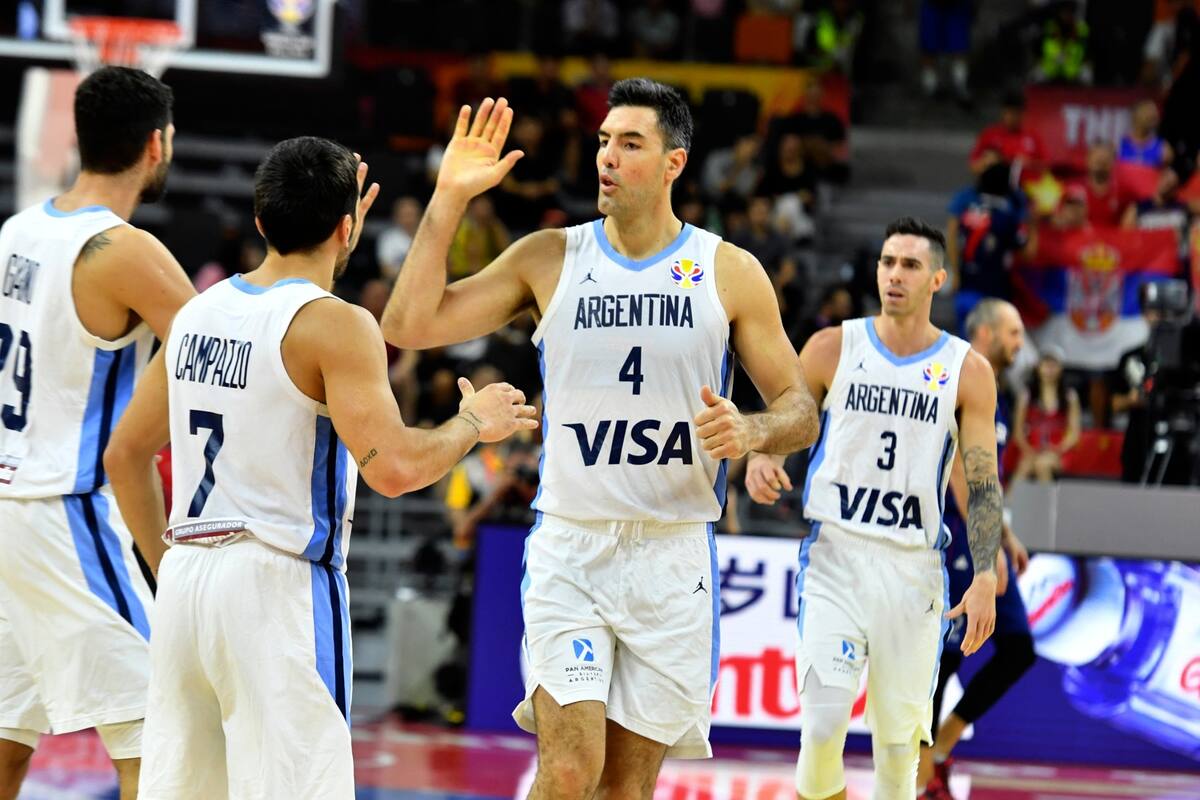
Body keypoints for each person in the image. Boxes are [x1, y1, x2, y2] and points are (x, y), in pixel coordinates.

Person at [379, 81, 819, 799]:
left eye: (630, 143)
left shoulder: (728, 271)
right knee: (570, 768)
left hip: (673, 556)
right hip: (573, 548)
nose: (607, 157)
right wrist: (449, 197)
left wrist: (753, 429)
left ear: (675, 162)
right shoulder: (550, 257)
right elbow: (409, 324)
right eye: (603, 141)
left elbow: (800, 408)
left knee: (622, 788)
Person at [102, 137, 539, 799]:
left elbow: (125, 456)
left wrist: (173, 572)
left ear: (259, 221)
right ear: (348, 226)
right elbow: (393, 469)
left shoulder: (196, 315)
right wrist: (473, 424)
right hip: (275, 584)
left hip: (188, 576)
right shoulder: (333, 324)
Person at [746, 216, 1002, 800]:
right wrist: (764, 454)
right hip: (837, 555)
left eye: (910, 264)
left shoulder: (967, 370)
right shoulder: (835, 345)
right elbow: (786, 420)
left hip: (913, 569)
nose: (894, 274)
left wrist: (984, 571)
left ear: (939, 277)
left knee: (896, 753)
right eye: (888, 262)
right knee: (821, 728)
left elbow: (983, 479)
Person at [0, 66, 194, 800]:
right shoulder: (122, 252)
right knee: (158, 726)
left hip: (8, 503)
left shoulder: (18, 229)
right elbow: (218, 352)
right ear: (156, 143)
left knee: (6, 733)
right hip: (65, 508)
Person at [918, 299, 1035, 800]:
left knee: (1018, 649)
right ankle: (921, 779)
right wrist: (987, 550)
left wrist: (1004, 535)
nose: (1020, 342)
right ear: (985, 332)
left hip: (984, 535)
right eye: (1013, 331)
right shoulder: (957, 377)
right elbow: (964, 473)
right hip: (953, 536)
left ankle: (940, 750)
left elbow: (988, 477)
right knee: (940, 664)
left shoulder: (995, 391)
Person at [1011, 346, 1081, 483]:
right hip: (1032, 449)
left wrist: (1058, 449)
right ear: (1038, 367)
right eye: (1045, 364)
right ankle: (1009, 503)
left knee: (1042, 464)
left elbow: (1074, 434)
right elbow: (1018, 433)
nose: (1049, 369)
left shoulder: (1070, 397)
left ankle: (1048, 504)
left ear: (1061, 368)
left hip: (1060, 452)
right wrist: (1029, 450)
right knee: (1025, 466)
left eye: (1053, 365)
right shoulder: (1026, 396)